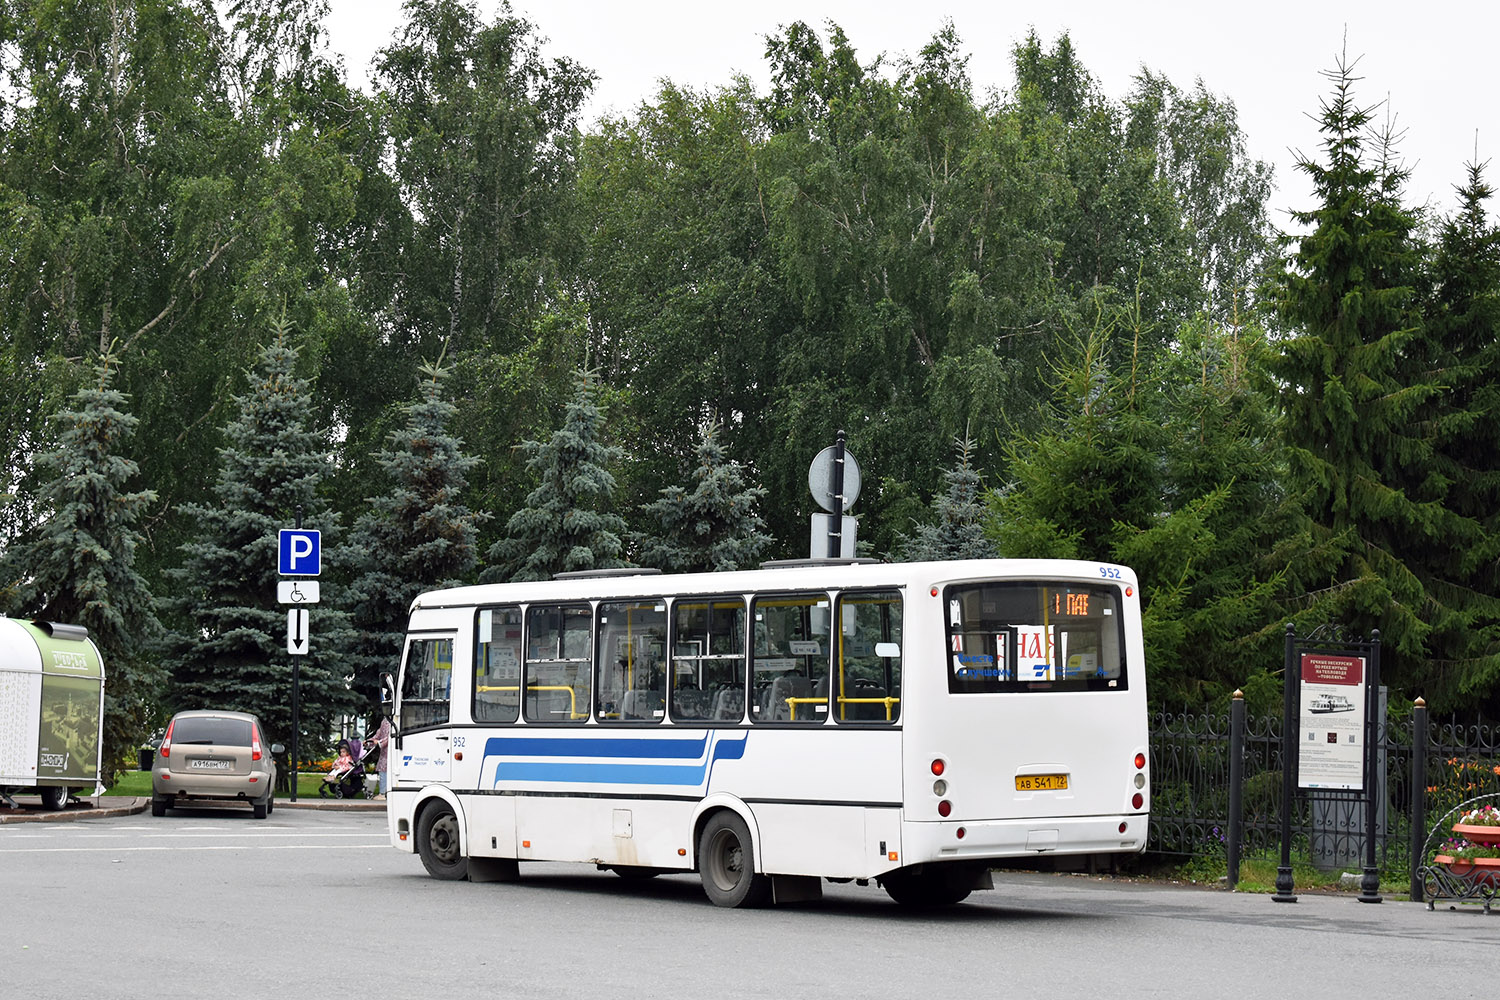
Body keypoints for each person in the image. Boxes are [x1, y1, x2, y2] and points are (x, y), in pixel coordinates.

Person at [366, 714, 391, 799]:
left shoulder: (391, 721)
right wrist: (370, 741)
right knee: (383, 772)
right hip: (385, 752)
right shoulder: (385, 720)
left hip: (390, 752)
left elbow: (390, 737)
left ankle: (383, 793)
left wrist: (379, 742)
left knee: (385, 772)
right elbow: (379, 734)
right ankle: (383, 792)